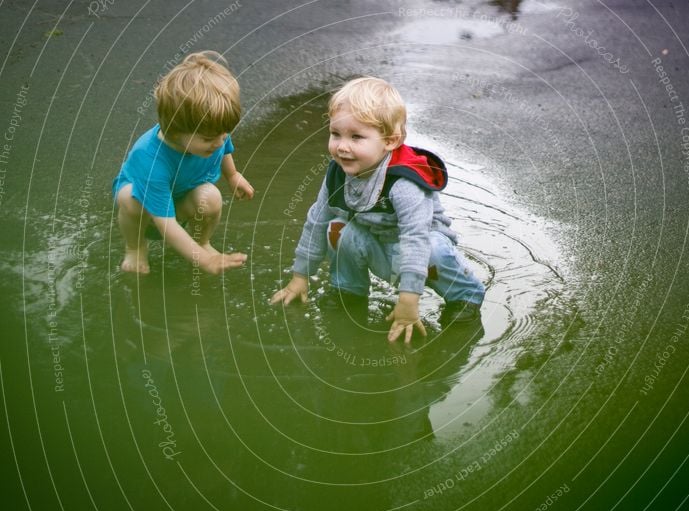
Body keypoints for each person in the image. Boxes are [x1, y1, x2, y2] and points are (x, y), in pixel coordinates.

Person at [271, 77, 485, 343]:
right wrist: (300, 275)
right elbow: (316, 220)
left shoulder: (403, 182)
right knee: (337, 229)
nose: (342, 146)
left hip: (424, 255)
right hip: (382, 248)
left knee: (433, 248)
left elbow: (415, 238)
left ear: (391, 141)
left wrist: (408, 300)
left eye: (356, 137)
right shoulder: (337, 175)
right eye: (335, 134)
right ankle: (347, 292)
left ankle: (464, 296)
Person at [112, 51, 254, 275]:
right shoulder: (150, 158)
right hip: (147, 208)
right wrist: (205, 263)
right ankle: (135, 247)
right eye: (209, 139)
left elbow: (224, 150)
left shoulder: (213, 132)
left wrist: (233, 176)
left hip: (182, 194)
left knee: (211, 197)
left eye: (225, 134)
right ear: (176, 132)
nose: (219, 142)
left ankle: (202, 243)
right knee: (131, 199)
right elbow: (165, 224)